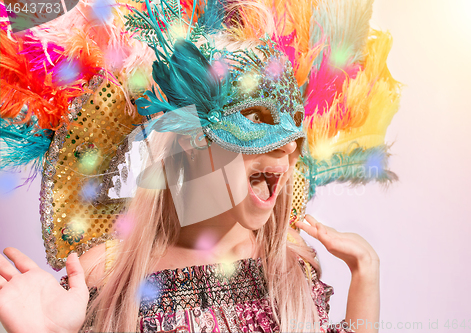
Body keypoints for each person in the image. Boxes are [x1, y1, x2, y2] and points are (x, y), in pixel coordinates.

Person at [0, 0, 400, 331]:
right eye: (256, 121)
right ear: (192, 141)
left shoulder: (291, 262)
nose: (286, 150)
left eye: (292, 135)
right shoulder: (106, 273)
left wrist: (366, 273)